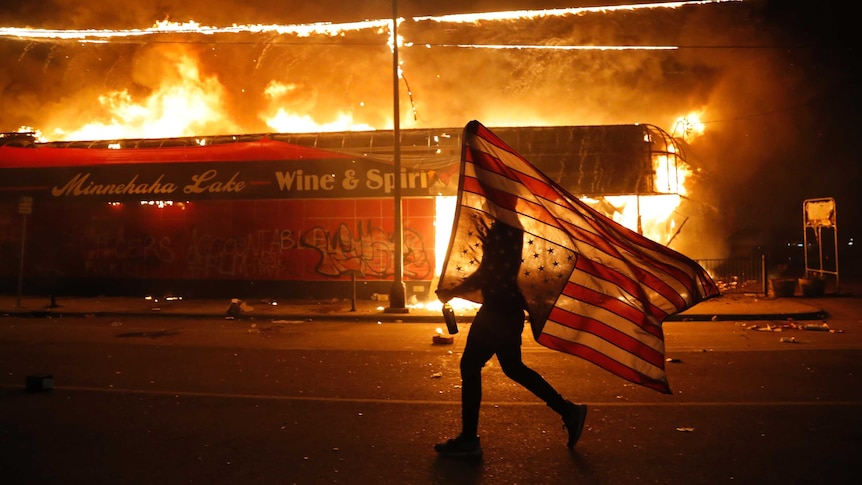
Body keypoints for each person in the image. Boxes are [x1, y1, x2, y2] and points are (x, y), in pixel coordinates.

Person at [434, 221, 587, 459]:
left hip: (498, 311)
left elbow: (489, 272)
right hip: (506, 309)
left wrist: (453, 290)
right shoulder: (507, 225)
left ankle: (468, 440)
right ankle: (568, 411)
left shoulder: (505, 227)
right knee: (513, 367)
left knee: (471, 365)